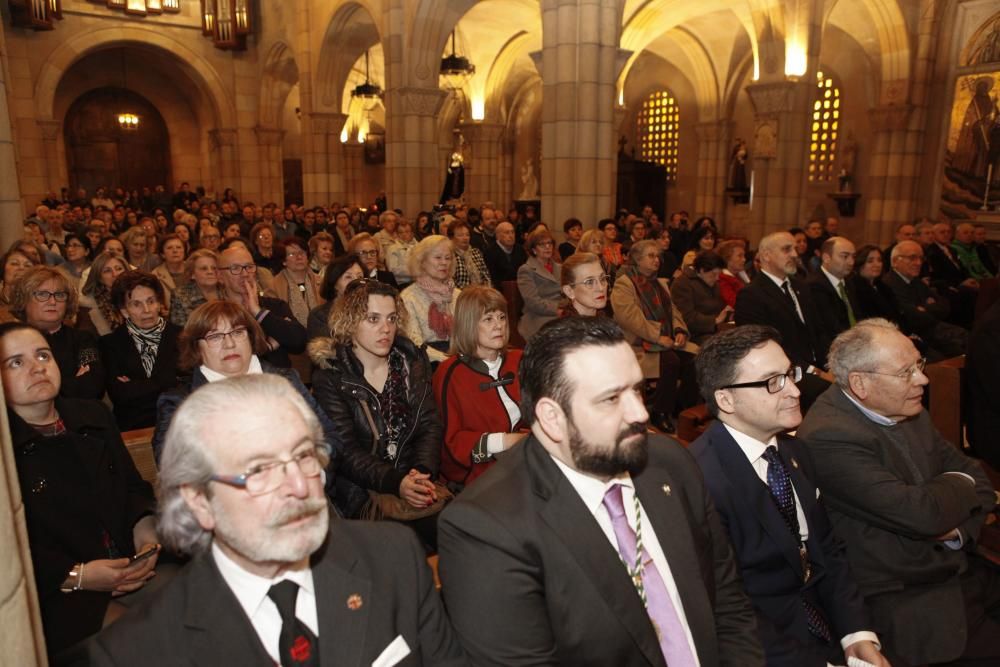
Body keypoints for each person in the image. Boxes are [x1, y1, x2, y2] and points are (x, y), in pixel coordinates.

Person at [437, 316, 764, 665]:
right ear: (552, 418)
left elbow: (729, 604)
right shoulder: (486, 528)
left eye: (636, 390)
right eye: (611, 398)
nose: (640, 412)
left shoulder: (670, 463)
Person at [88, 373, 465, 666]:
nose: (300, 486)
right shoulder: (138, 652)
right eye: (259, 470)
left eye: (304, 456)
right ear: (200, 501)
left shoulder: (393, 557)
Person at [797, 319, 999, 666]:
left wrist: (956, 530)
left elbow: (976, 476)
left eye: (918, 365)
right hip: (910, 598)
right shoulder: (828, 436)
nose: (923, 379)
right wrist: (951, 498)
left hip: (960, 563)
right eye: (906, 371)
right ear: (860, 383)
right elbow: (922, 514)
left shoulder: (907, 406)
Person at [689, 326, 889, 667]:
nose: (795, 391)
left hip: (827, 625)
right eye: (772, 382)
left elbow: (828, 551)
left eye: (789, 374)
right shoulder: (699, 481)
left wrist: (856, 636)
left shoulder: (795, 450)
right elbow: (726, 608)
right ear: (726, 399)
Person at [0, 322, 160, 656]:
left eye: (42, 355)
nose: (36, 367)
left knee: (206, 604)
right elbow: (11, 549)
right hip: (54, 591)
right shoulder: (5, 449)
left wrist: (146, 532)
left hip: (127, 563)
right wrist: (78, 575)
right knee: (141, 645)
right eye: (15, 362)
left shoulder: (93, 414)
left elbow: (132, 488)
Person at [310, 279, 445, 547]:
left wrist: (420, 472)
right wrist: (398, 483)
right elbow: (345, 451)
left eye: (392, 318)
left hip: (416, 480)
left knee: (459, 533)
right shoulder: (331, 377)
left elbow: (429, 424)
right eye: (373, 319)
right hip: (362, 492)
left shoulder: (411, 364)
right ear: (350, 321)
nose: (386, 329)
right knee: (397, 547)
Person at [433, 286, 524, 488]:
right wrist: (504, 442)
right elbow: (450, 443)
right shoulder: (450, 373)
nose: (499, 325)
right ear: (469, 324)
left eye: (502, 317)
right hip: (480, 476)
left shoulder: (519, 359)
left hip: (525, 461)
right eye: (488, 319)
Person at [735, 231, 831, 411]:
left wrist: (830, 364)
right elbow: (762, 345)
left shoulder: (801, 286)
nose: (795, 254)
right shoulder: (751, 295)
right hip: (783, 372)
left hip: (815, 366)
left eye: (794, 249)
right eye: (787, 249)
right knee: (831, 394)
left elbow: (819, 331)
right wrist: (813, 371)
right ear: (766, 255)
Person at [611, 240, 695, 434]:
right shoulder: (625, 282)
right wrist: (658, 337)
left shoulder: (659, 283)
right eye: (651, 256)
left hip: (664, 339)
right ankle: (660, 412)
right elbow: (630, 318)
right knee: (671, 361)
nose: (656, 260)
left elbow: (673, 312)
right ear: (637, 259)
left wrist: (680, 331)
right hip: (637, 342)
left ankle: (681, 407)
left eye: (658, 256)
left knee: (694, 358)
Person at [99, 271, 181, 431]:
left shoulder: (182, 337)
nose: (147, 310)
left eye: (151, 301)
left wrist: (137, 386)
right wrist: (166, 382)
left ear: (159, 303)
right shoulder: (109, 344)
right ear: (123, 310)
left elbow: (189, 386)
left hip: (179, 422)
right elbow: (120, 395)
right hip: (133, 427)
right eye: (136, 304)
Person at [11, 265, 106, 400]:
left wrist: (40, 385)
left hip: (80, 417)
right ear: (24, 300)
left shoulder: (82, 339)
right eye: (42, 294)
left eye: (59, 295)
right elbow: (13, 391)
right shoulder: (10, 342)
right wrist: (71, 381)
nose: (52, 301)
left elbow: (92, 387)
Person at [217, 245, 307, 368]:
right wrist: (267, 347)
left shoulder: (275, 306)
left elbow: (299, 343)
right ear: (220, 276)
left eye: (249, 267)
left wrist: (258, 312)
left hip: (280, 381)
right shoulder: (214, 314)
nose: (245, 274)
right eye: (235, 268)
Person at [882, 240, 967, 358]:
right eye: (912, 258)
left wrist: (924, 308)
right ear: (895, 261)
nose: (918, 263)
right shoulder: (889, 283)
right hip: (915, 334)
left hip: (932, 330)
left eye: (921, 258)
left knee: (968, 340)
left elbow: (945, 306)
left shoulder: (916, 281)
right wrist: (928, 307)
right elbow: (912, 317)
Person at [399, 235, 461, 363]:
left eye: (448, 258)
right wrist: (446, 360)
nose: (444, 262)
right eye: (438, 257)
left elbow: (470, 334)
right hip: (427, 362)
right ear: (422, 261)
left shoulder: (458, 295)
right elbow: (414, 342)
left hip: (460, 357)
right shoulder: (409, 297)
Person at [806, 236, 861, 358]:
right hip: (833, 351)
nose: (851, 262)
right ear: (826, 257)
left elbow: (856, 317)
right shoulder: (814, 285)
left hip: (854, 345)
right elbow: (829, 328)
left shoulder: (850, 282)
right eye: (845, 256)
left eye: (853, 256)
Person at [671, 251, 732, 345]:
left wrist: (728, 314)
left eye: (718, 274)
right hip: (695, 335)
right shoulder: (682, 284)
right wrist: (714, 321)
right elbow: (686, 318)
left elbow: (719, 309)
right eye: (714, 274)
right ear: (702, 270)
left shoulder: (712, 282)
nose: (717, 278)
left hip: (715, 330)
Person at [515, 228, 563, 340]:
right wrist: (557, 310)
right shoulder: (526, 270)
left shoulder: (560, 267)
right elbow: (533, 302)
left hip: (561, 313)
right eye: (542, 244)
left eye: (549, 243)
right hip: (538, 317)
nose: (547, 247)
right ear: (534, 250)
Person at [267, 237, 324, 328]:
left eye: (302, 253)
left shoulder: (321, 282)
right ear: (284, 261)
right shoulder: (274, 287)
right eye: (292, 254)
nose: (299, 257)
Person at [850, 244, 903, 325]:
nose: (877, 264)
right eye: (870, 261)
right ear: (859, 264)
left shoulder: (883, 287)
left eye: (879, 260)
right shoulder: (854, 288)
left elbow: (897, 313)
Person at [167, 248, 221, 327]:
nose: (210, 272)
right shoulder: (180, 296)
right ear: (192, 274)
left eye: (214, 268)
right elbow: (180, 333)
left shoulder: (227, 290)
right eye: (204, 269)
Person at [559, 252, 608, 316]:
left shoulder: (606, 321)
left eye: (602, 279)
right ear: (569, 291)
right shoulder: (566, 326)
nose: (601, 288)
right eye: (589, 282)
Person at [448, 220, 492, 289]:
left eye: (467, 235)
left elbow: (486, 276)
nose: (465, 238)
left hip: (480, 293)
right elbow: (450, 282)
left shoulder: (476, 252)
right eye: (460, 235)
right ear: (451, 237)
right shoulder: (449, 255)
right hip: (460, 295)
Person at [150, 234, 188, 308]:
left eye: (179, 247)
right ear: (162, 254)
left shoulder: (194, 271)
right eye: (169, 248)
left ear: (184, 251)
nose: (175, 251)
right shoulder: (155, 276)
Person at [717, 239, 750, 307]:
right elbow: (734, 303)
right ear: (727, 258)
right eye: (739, 256)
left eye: (744, 256)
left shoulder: (740, 275)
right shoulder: (722, 279)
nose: (744, 259)